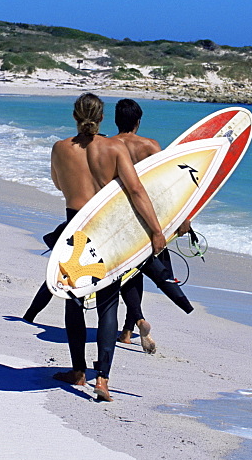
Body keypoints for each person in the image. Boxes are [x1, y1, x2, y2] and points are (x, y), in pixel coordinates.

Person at [44, 93, 166, 402]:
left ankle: (77, 371)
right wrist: (155, 230)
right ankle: (103, 381)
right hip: (107, 230)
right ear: (102, 118)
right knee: (108, 304)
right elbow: (136, 190)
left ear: (75, 115)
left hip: (75, 228)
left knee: (73, 300)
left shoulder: (60, 148)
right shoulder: (114, 148)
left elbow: (59, 184)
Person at [113, 99, 191, 354]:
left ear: (116, 121)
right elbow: (171, 183)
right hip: (150, 218)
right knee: (151, 270)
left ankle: (133, 324)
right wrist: (183, 218)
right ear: (138, 121)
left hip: (120, 219)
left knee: (127, 273)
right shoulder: (150, 146)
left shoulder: (108, 146)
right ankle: (129, 327)